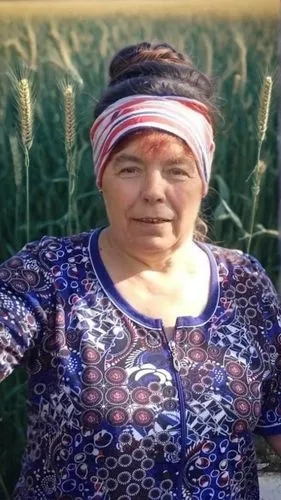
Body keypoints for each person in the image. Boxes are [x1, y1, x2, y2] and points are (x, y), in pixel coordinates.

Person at [0, 41, 280, 500]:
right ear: (101, 177)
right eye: (129, 169)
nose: (153, 191)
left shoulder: (243, 284)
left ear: (203, 180)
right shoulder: (47, 276)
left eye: (177, 171)